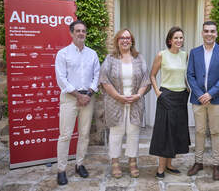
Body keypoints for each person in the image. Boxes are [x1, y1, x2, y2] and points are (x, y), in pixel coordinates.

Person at [99, 29, 150, 179]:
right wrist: (118, 96)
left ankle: (132, 161)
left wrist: (138, 95)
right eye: (122, 38)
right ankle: (115, 162)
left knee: (133, 132)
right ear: (117, 41)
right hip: (115, 102)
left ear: (132, 41)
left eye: (128, 38)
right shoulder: (110, 59)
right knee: (116, 133)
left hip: (135, 102)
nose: (125, 40)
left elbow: (146, 80)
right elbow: (104, 79)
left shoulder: (139, 58)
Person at [55, 20, 100, 185]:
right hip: (69, 99)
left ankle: (79, 164)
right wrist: (77, 95)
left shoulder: (92, 54)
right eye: (78, 31)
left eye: (84, 31)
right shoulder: (63, 54)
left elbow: (97, 76)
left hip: (88, 98)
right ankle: (61, 169)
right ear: (71, 33)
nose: (81, 33)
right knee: (65, 135)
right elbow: (61, 79)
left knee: (84, 134)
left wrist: (88, 94)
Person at [187, 21, 219, 180]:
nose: (209, 34)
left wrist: (210, 93)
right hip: (198, 99)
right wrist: (200, 94)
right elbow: (190, 75)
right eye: (206, 31)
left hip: (217, 99)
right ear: (202, 33)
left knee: (215, 131)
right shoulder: (194, 52)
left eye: (212, 31)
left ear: (216, 34)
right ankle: (198, 162)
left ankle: (216, 164)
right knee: (199, 131)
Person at [149, 26, 190, 179]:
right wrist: (158, 93)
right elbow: (152, 75)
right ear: (170, 40)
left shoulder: (185, 55)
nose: (179, 40)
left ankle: (169, 164)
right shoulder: (162, 55)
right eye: (176, 38)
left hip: (181, 97)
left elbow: (185, 75)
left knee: (175, 131)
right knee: (164, 132)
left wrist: (187, 88)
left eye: (181, 37)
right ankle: (160, 167)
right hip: (166, 96)